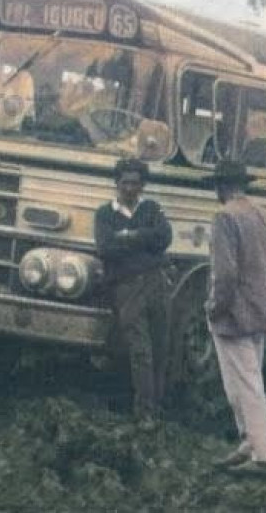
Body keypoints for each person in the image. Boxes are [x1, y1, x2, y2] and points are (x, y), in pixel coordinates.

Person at [204, 160, 266, 474]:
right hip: (260, 307)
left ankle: (262, 455)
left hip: (234, 312)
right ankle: (249, 443)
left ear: (221, 187)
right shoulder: (261, 213)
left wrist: (214, 307)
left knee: (244, 384)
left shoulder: (225, 217)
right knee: (248, 380)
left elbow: (224, 273)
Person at [94, 158, 173, 418]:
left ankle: (157, 404)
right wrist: (146, 242)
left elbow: (165, 237)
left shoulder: (151, 208)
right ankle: (145, 411)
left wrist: (129, 236)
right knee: (140, 349)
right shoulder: (105, 213)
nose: (130, 188)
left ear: (142, 186)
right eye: (125, 183)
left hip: (156, 282)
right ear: (117, 184)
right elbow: (106, 248)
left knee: (160, 346)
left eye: (136, 183)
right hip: (126, 287)